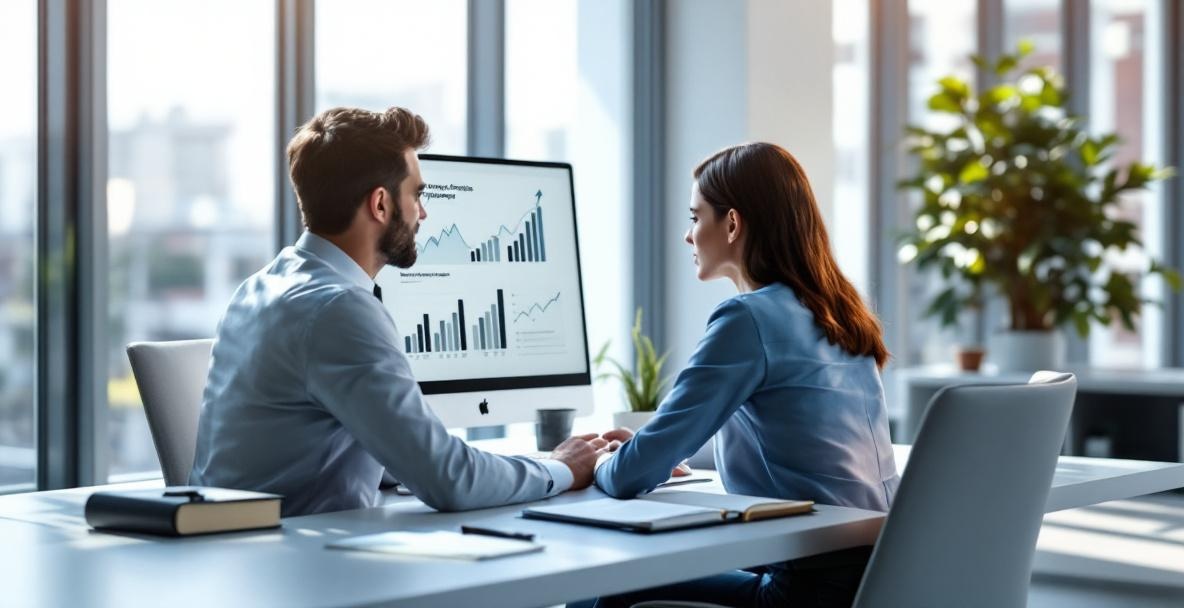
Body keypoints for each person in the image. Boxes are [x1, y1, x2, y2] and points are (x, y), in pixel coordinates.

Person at [190, 107, 601, 517]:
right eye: (418, 195)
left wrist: (425, 459)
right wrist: (559, 468)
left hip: (248, 555)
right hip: (302, 564)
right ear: (381, 204)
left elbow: (323, 441)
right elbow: (449, 481)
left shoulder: (260, 287)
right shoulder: (339, 308)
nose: (423, 214)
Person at [578, 142, 900, 608]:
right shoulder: (833, 310)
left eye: (694, 217)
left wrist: (599, 462)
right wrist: (660, 453)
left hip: (805, 591)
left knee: (595, 589)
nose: (688, 236)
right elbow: (795, 433)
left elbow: (628, 478)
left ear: (732, 223)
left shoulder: (747, 319)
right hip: (873, 578)